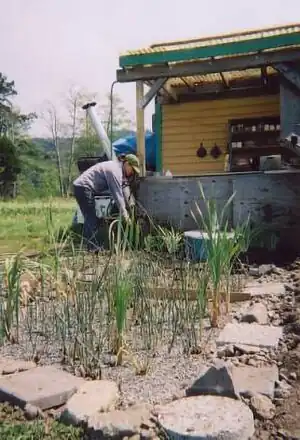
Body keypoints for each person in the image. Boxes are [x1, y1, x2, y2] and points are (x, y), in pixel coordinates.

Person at [73, 154, 140, 252]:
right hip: (83, 187)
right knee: (90, 218)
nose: (132, 173)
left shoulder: (119, 170)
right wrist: (126, 216)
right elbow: (118, 195)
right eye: (132, 169)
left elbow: (125, 190)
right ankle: (92, 248)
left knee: (92, 218)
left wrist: (132, 205)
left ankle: (92, 245)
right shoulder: (115, 171)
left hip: (85, 187)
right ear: (127, 164)